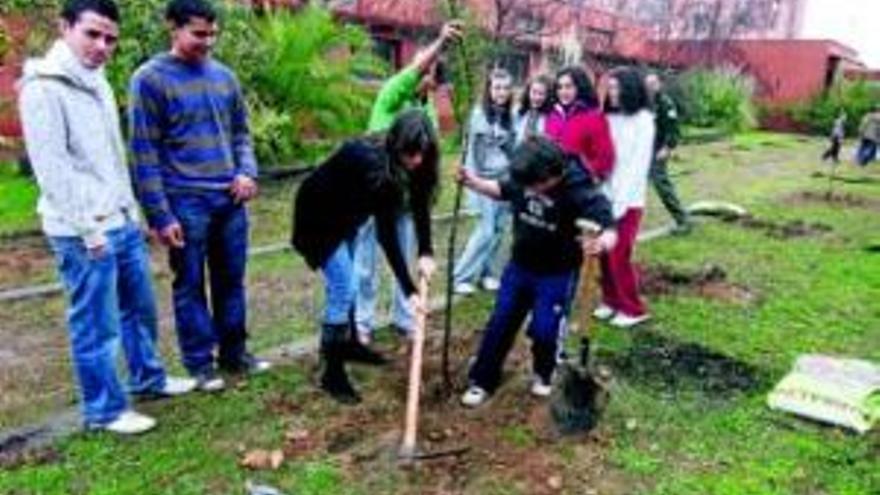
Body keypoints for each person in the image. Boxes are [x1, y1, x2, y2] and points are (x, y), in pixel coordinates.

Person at [18, 0, 196, 435]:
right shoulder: (43, 87)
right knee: (96, 325)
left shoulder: (97, 81)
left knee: (140, 310)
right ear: (65, 28)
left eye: (110, 38)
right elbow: (52, 170)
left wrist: (130, 211)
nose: (102, 46)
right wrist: (87, 229)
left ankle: (148, 378)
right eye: (92, 34)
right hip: (81, 231)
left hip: (119, 219)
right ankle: (103, 410)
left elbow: (114, 157)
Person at [129, 0, 270, 393]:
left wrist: (247, 172)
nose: (207, 42)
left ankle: (235, 353)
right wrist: (159, 214)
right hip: (184, 202)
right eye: (198, 34)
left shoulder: (225, 77)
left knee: (232, 280)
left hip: (230, 199)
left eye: (212, 34)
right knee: (189, 283)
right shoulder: (149, 80)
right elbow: (144, 153)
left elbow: (242, 133)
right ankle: (199, 363)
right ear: (172, 28)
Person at [292, 109, 439, 404]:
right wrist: (409, 288)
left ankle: (352, 345)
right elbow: (387, 234)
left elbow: (420, 202)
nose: (417, 161)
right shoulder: (371, 161)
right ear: (397, 145)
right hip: (317, 217)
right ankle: (332, 373)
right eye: (410, 154)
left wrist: (425, 250)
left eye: (421, 154)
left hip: (348, 214)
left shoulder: (418, 157)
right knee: (345, 287)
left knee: (348, 285)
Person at [458, 136, 618, 407]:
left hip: (557, 274)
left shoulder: (579, 189)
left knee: (545, 330)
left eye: (535, 186)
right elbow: (504, 189)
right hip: (519, 266)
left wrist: (602, 243)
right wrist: (475, 182)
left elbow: (610, 227)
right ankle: (482, 380)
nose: (529, 190)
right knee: (501, 321)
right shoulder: (528, 173)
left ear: (553, 176)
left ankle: (544, 373)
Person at [353, 21, 462, 345]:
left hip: (402, 203)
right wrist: (441, 41)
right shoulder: (391, 95)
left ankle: (404, 316)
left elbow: (425, 174)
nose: (430, 82)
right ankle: (362, 320)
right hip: (372, 197)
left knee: (407, 253)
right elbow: (417, 67)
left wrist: (427, 245)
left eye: (434, 80)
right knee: (366, 263)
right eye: (427, 75)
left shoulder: (425, 112)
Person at [595, 67, 656, 329]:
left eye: (618, 88)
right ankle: (610, 301)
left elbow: (637, 167)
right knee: (603, 254)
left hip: (628, 202)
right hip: (604, 196)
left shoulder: (644, 120)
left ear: (631, 89)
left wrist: (619, 205)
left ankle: (633, 308)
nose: (613, 93)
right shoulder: (609, 117)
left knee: (620, 254)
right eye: (610, 88)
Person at [453, 68, 515, 296]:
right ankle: (461, 276)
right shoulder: (480, 114)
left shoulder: (510, 115)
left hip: (503, 180)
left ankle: (488, 273)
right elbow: (474, 154)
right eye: (497, 87)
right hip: (483, 180)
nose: (501, 92)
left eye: (506, 88)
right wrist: (474, 182)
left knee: (499, 229)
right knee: (485, 230)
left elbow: (510, 148)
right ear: (489, 90)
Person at [545, 66, 615, 182]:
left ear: (580, 87)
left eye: (568, 86)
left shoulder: (594, 117)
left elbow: (605, 158)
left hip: (578, 186)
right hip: (551, 185)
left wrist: (584, 176)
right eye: (559, 87)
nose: (563, 92)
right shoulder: (552, 115)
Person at [645, 72, 690, 234]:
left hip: (659, 151)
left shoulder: (665, 103)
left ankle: (683, 221)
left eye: (653, 83)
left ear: (659, 84)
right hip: (645, 151)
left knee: (661, 184)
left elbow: (674, 130)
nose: (650, 87)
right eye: (647, 84)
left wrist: (667, 148)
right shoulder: (647, 103)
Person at [514, 74, 554, 143]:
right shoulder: (518, 111)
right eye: (534, 92)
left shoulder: (549, 116)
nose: (537, 97)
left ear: (547, 95)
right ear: (528, 92)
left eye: (541, 94)